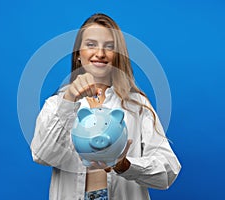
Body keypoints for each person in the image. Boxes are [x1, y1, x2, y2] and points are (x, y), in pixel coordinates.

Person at [31, 13, 181, 200]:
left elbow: (169, 171)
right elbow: (42, 155)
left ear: (117, 55)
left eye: (109, 46)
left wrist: (125, 166)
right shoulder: (57, 103)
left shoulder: (137, 105)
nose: (100, 53)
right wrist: (68, 101)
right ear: (78, 53)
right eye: (91, 44)